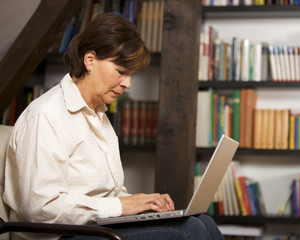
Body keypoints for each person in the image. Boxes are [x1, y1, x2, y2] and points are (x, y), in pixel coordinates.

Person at [3, 13, 224, 240]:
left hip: (95, 228)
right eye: (121, 72)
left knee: (201, 220)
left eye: (131, 75)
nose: (128, 84)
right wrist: (122, 207)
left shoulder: (99, 115)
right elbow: (40, 208)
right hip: (58, 236)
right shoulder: (46, 115)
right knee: (190, 231)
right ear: (90, 60)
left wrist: (143, 206)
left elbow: (107, 195)